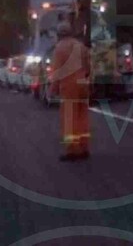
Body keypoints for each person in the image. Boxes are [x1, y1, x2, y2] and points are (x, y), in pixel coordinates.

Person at [50, 21, 91, 161]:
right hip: (83, 84)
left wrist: (52, 89)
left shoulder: (59, 49)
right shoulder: (81, 46)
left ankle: (72, 151)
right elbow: (88, 66)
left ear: (59, 34)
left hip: (69, 86)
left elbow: (57, 72)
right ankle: (84, 147)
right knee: (82, 115)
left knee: (69, 118)